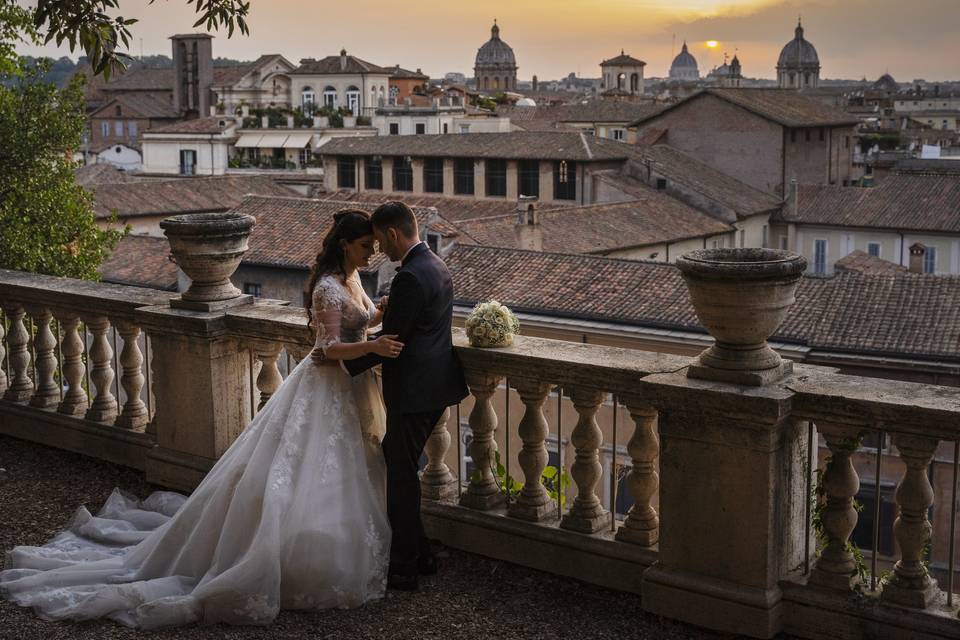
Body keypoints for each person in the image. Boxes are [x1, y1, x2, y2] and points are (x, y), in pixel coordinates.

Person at [0, 209, 403, 629]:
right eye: (364, 247)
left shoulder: (352, 280)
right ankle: (287, 558)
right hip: (325, 386)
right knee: (303, 472)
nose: (370, 254)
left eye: (372, 247)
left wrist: (379, 316)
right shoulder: (325, 288)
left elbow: (361, 320)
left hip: (351, 388)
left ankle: (327, 548)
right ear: (344, 245)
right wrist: (374, 349)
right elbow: (328, 349)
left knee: (343, 474)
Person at [341, 201, 468, 592]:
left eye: (380, 240)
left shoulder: (410, 276)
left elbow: (391, 342)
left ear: (393, 233)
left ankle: (404, 566)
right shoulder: (436, 265)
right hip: (435, 386)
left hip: (414, 391)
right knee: (402, 468)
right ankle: (421, 555)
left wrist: (340, 361)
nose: (380, 250)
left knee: (400, 478)